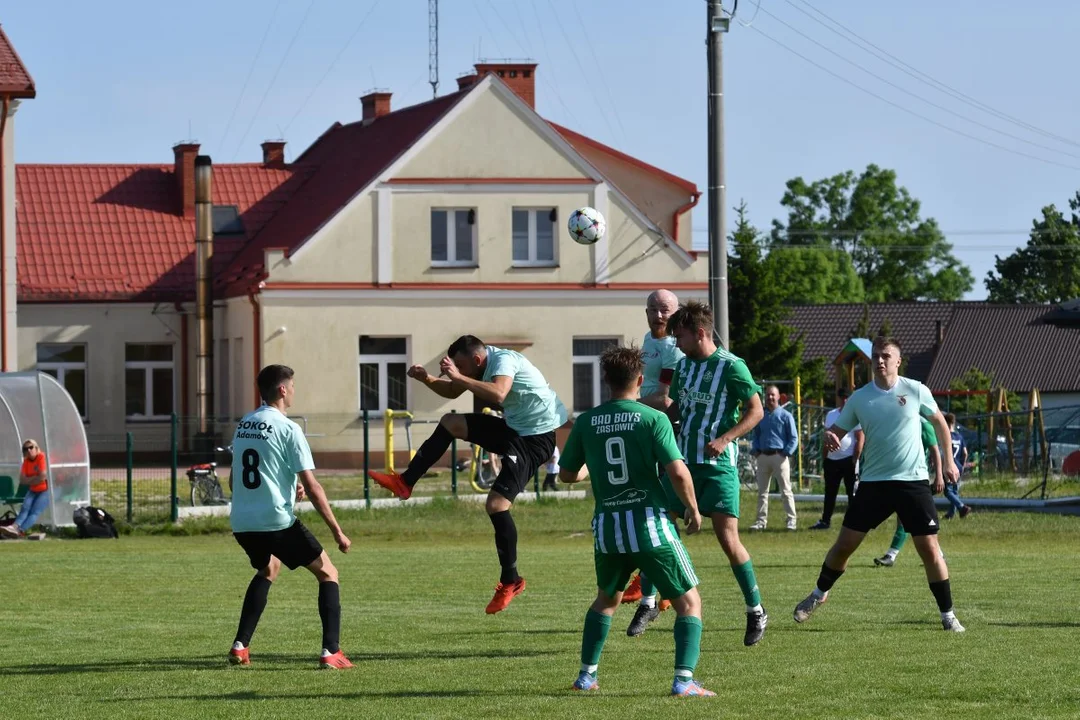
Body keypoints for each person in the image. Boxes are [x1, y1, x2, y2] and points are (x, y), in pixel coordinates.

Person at [369, 335, 569, 614]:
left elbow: (499, 393)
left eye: (463, 366)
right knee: (451, 422)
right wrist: (426, 378)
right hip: (515, 430)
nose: (460, 372)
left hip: (536, 439)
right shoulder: (480, 366)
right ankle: (405, 482)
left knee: (496, 504)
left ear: (476, 359)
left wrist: (456, 375)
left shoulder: (504, 360)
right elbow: (452, 391)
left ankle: (511, 579)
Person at [559, 345, 714, 697]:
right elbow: (677, 470)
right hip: (648, 525)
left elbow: (566, 474)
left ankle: (586, 676)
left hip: (608, 528)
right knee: (689, 603)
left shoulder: (586, 422)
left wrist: (590, 469)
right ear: (640, 381)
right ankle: (683, 681)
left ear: (605, 381)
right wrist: (692, 508)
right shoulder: (653, 418)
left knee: (606, 600)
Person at [792, 336, 966, 633]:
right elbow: (835, 430)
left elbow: (939, 422)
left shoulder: (915, 390)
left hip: (913, 482)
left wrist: (948, 462)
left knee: (929, 550)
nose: (880, 361)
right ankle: (819, 594)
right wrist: (829, 436)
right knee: (845, 545)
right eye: (876, 356)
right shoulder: (860, 397)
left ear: (898, 361)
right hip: (874, 483)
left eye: (886, 356)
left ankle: (948, 615)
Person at [641, 300, 769, 646]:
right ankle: (648, 602)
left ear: (699, 333)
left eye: (680, 336)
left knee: (728, 540)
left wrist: (726, 437)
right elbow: (679, 409)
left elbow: (755, 411)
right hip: (682, 463)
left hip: (717, 467)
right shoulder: (683, 368)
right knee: (658, 526)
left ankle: (755, 609)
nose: (676, 343)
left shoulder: (732, 366)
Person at [228, 364, 354, 669]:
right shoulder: (289, 428)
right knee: (328, 573)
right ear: (282, 390)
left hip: (243, 522)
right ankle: (331, 652)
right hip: (276, 521)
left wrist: (286, 488)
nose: (295, 390)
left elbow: (236, 480)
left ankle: (240, 646)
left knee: (269, 569)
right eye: (293, 385)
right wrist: (337, 531)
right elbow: (313, 486)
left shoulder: (244, 423)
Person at [622, 288, 683, 610]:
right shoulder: (647, 341)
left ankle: (658, 582)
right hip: (642, 429)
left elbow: (666, 398)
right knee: (648, 508)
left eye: (665, 310)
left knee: (659, 511)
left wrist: (624, 404)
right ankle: (656, 583)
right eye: (653, 309)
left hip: (665, 432)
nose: (658, 315)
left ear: (676, 313)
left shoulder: (675, 348)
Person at [873, 416, 941, 567]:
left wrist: (939, 477)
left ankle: (891, 555)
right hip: (897, 478)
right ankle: (938, 554)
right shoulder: (899, 421)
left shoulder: (924, 425)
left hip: (915, 480)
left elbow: (935, 450)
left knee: (911, 520)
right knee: (916, 522)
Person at [811, 389, 863, 530]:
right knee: (830, 492)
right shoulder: (831, 415)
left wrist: (855, 458)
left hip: (848, 460)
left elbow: (860, 438)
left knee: (851, 493)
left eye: (847, 397)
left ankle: (853, 522)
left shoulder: (855, 415)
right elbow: (827, 436)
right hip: (832, 460)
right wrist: (825, 457)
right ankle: (825, 521)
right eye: (842, 397)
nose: (845, 400)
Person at [749, 385, 799, 531]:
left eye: (773, 395)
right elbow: (755, 435)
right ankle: (760, 522)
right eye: (768, 395)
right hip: (763, 456)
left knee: (786, 491)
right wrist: (756, 450)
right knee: (762, 492)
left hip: (780, 456)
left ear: (778, 397)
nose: (770, 397)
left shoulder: (785, 416)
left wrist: (786, 452)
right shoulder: (760, 416)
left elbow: (794, 437)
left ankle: (791, 521)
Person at [0, 439, 49, 538]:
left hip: (45, 490)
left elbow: (43, 476)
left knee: (34, 512)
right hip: (33, 490)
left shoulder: (41, 457)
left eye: (31, 447)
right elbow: (22, 480)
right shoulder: (26, 461)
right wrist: (36, 478)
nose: (29, 450)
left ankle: (20, 531)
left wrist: (30, 479)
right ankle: (13, 528)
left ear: (36, 448)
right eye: (26, 449)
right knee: (24, 509)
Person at [943, 413, 972, 519]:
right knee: (955, 490)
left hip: (950, 466)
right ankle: (951, 514)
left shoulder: (946, 436)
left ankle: (962, 507)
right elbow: (965, 453)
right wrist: (963, 464)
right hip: (959, 466)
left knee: (948, 491)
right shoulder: (959, 437)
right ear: (953, 423)